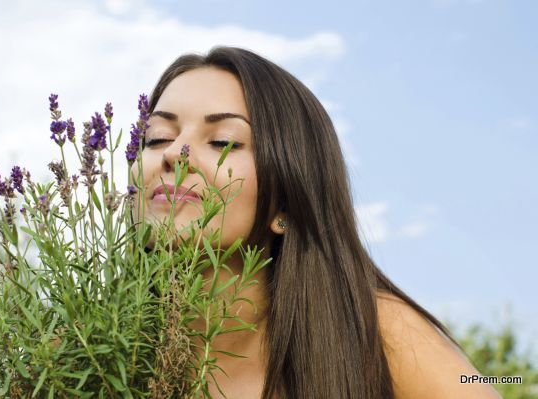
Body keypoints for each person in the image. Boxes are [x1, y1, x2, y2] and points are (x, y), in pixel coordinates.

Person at [132, 46, 501, 399]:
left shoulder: (379, 333)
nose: (173, 154)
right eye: (157, 137)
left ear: (287, 204)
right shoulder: (91, 344)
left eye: (222, 141)